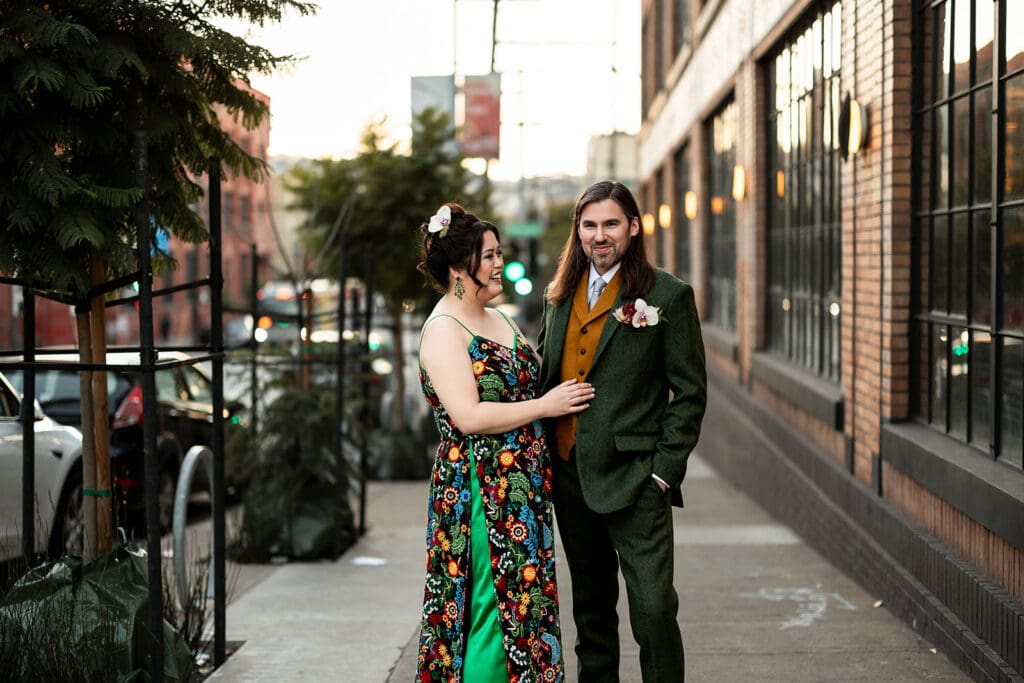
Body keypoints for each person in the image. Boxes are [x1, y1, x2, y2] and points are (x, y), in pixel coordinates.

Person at [415, 202, 594, 682]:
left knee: (526, 612)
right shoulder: (443, 330)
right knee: (492, 611)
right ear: (459, 267)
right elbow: (469, 417)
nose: (499, 264)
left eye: (498, 253)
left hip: (521, 493)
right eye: (489, 256)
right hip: (481, 492)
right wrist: (545, 407)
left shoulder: (499, 318)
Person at [537, 181, 707, 682]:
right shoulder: (559, 295)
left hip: (636, 481)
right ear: (579, 232)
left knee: (654, 611)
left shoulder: (668, 296)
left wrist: (663, 473)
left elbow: (690, 393)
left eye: (611, 223)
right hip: (570, 477)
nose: (600, 235)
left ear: (633, 226)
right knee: (591, 614)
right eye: (589, 225)